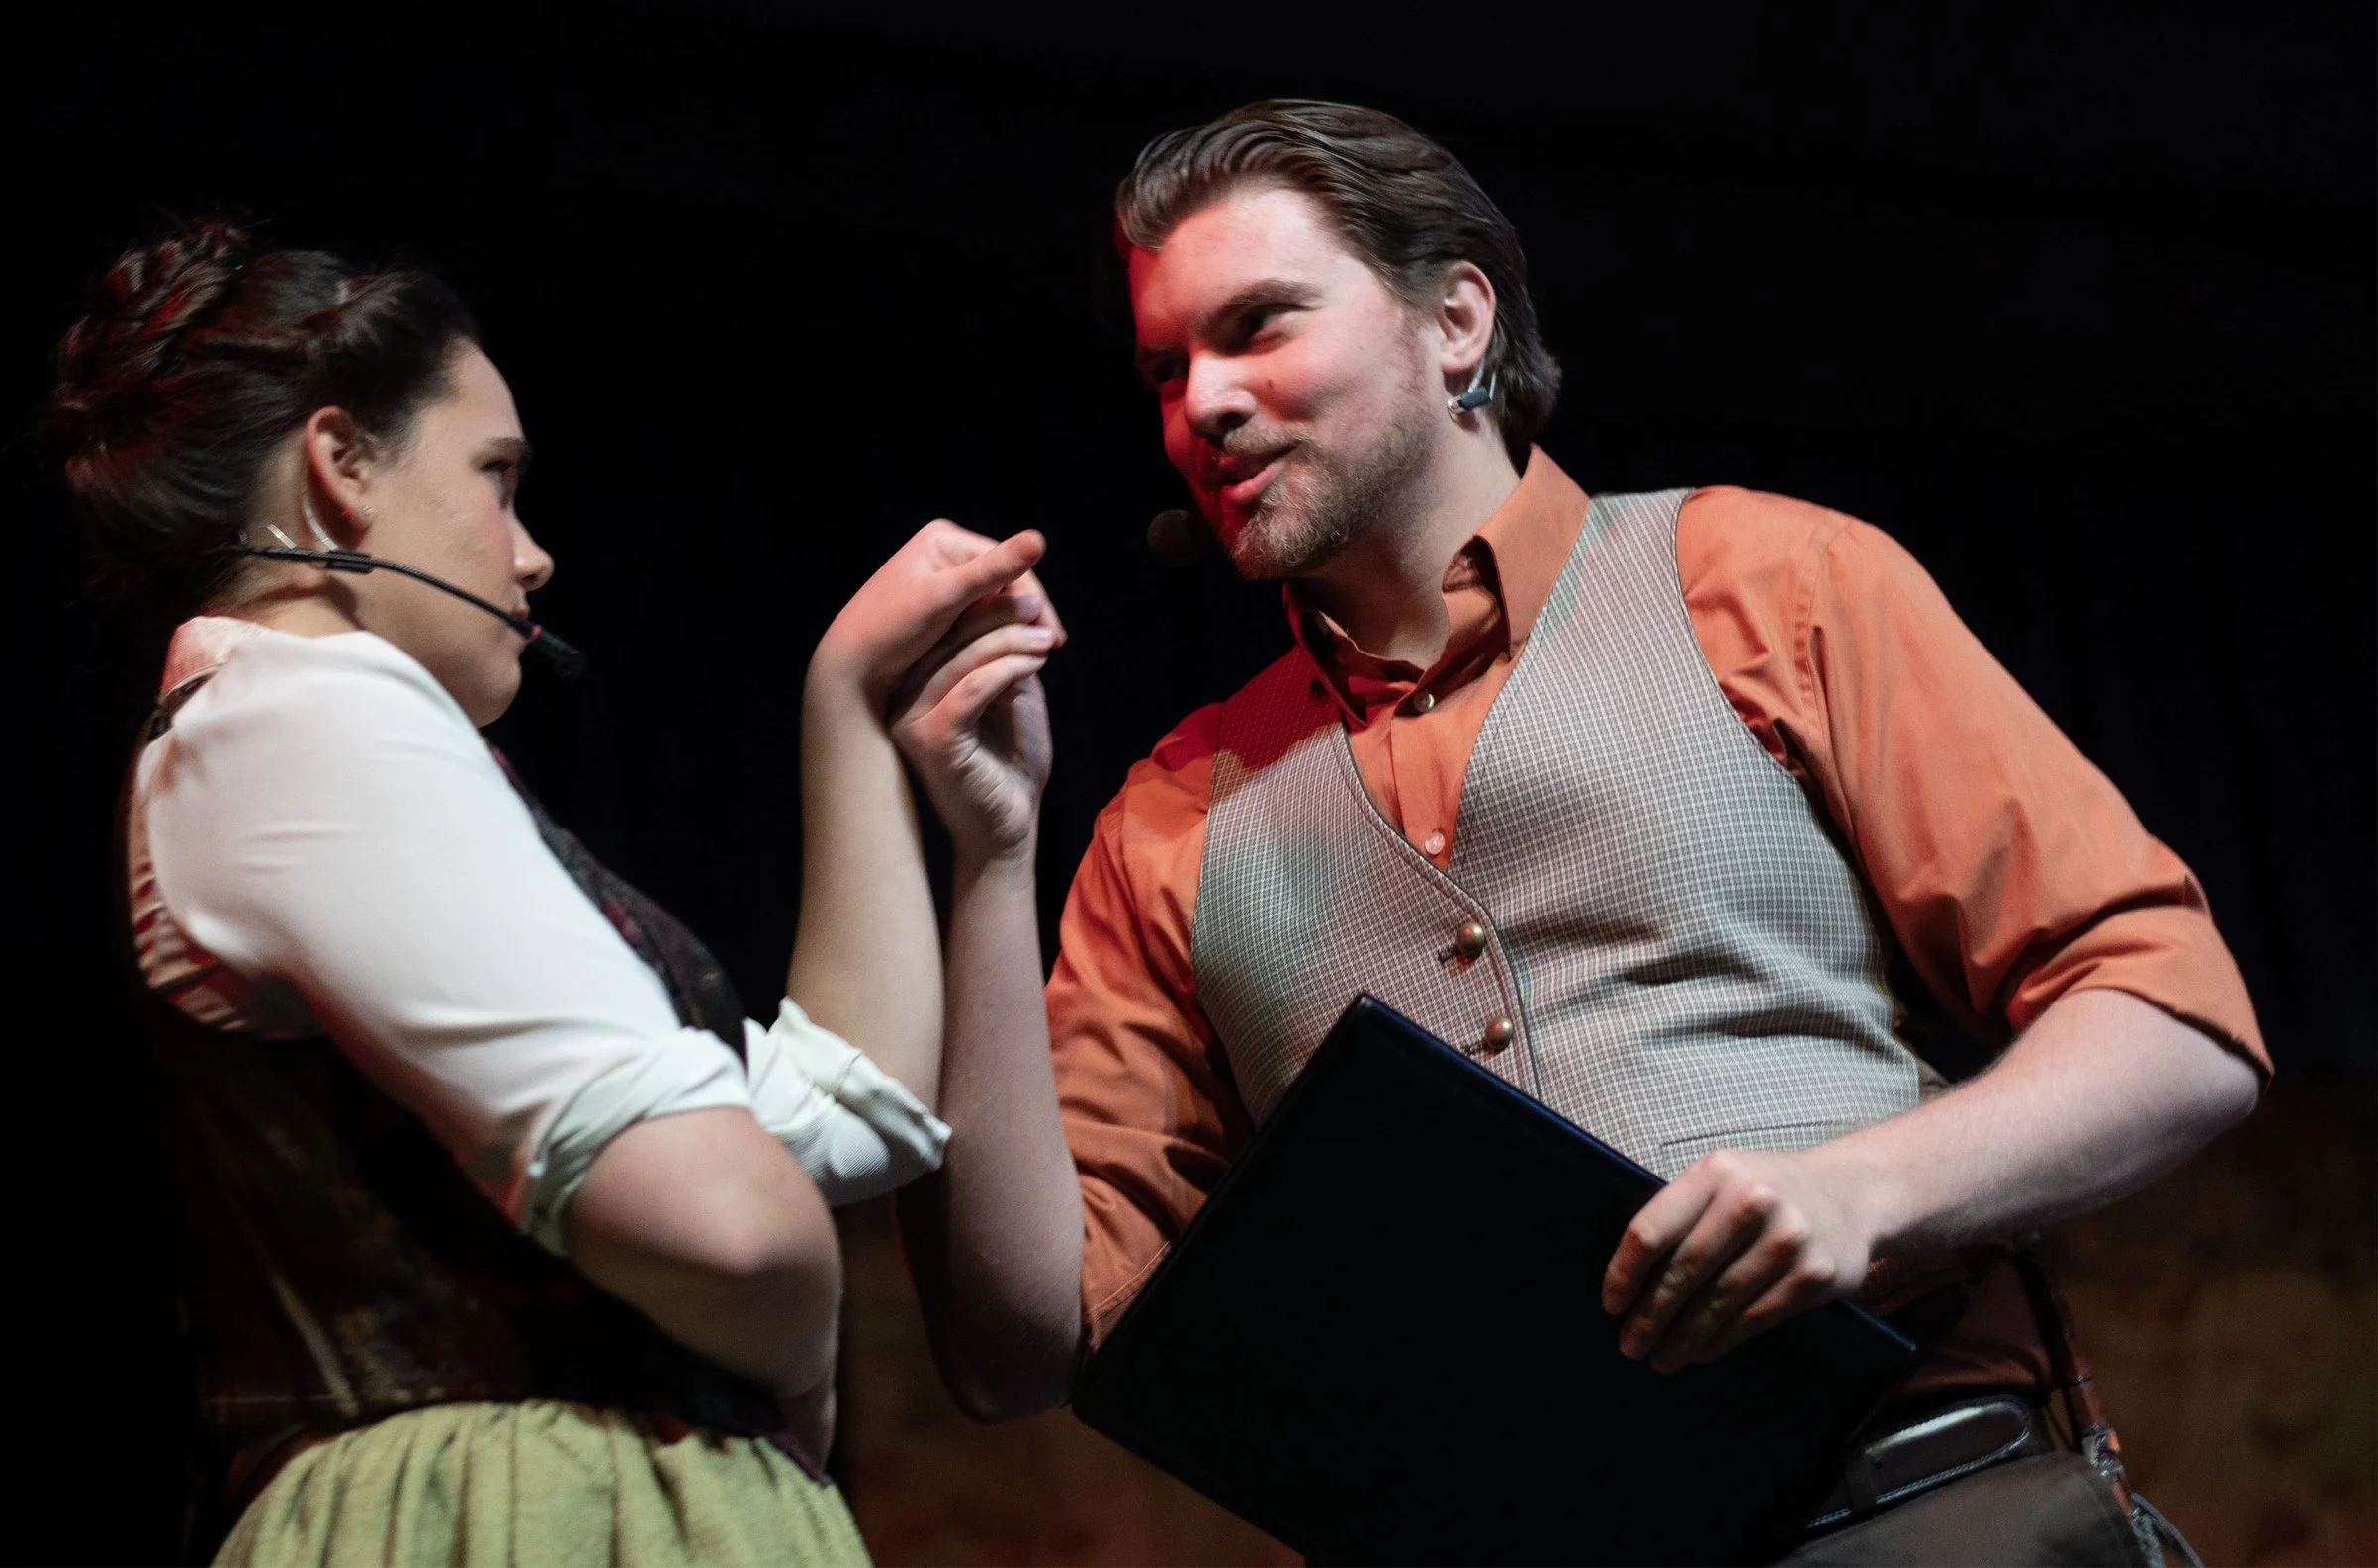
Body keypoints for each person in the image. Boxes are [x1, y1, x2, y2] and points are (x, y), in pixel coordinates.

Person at [893, 101, 2268, 1563]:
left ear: (1457, 320)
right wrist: (988, 855)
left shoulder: (1769, 581)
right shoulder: (1169, 816)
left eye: (1259, 326)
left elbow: (2176, 1022)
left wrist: (1865, 1190)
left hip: (1919, 1507)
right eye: (1167, 368)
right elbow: (1019, 1345)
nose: (1203, 405)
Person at [44, 215, 1061, 1567]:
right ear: (341, 467)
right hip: (512, 1520)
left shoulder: (296, 739)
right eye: (496, 477)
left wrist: (851, 701)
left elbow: (815, 1131)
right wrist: (798, 1359)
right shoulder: (298, 714)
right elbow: (742, 1225)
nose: (533, 555)